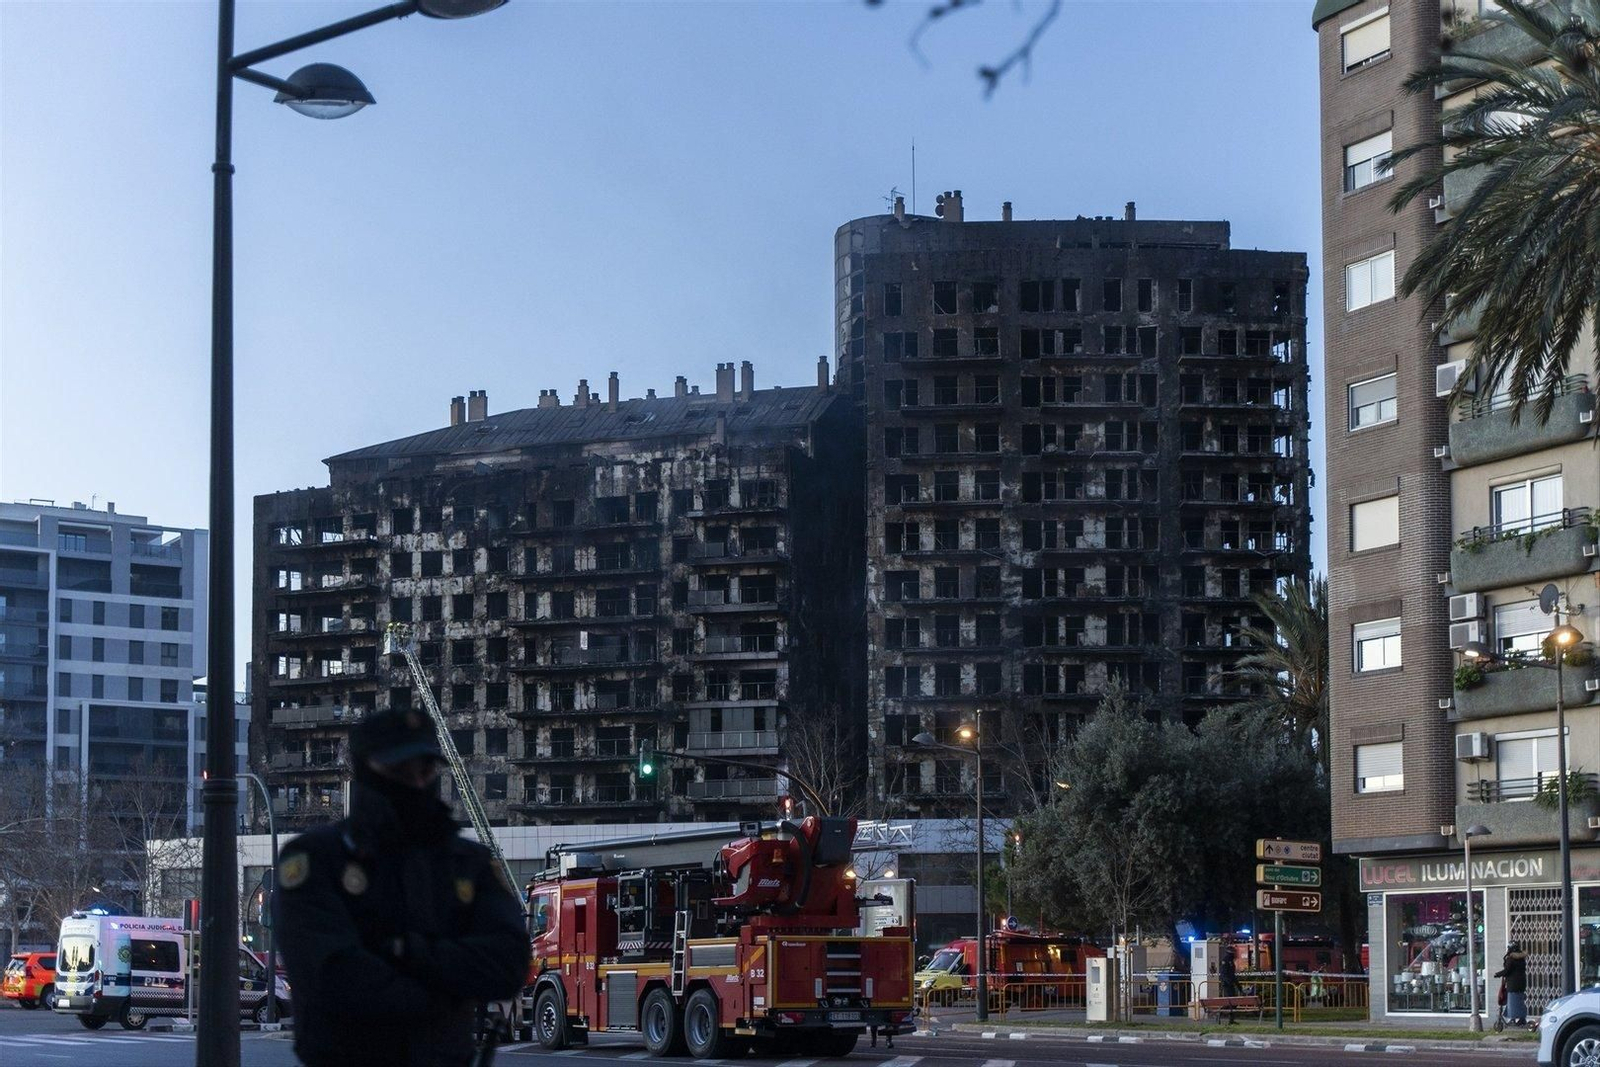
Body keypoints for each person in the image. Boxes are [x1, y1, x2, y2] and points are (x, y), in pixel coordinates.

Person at [274, 708, 530, 1066]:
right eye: (399, 771)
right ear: (367, 770)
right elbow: (333, 977)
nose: (416, 784)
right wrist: (448, 990)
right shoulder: (317, 859)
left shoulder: (465, 862)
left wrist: (405, 952)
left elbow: (508, 964)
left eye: (424, 770)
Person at [1493, 941, 1528, 1027]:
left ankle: (1513, 1018)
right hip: (1522, 983)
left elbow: (1507, 970)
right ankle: (1522, 1019)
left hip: (1513, 984)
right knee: (1519, 1001)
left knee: (1512, 1001)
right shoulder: (1521, 958)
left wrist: (1497, 974)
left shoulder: (1511, 959)